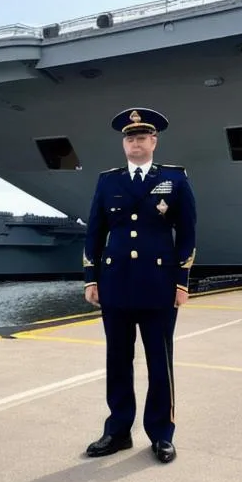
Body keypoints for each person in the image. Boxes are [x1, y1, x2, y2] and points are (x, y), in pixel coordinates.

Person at [83, 107, 196, 463]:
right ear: (124, 144)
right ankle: (117, 432)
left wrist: (181, 282)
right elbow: (94, 232)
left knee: (159, 363)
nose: (135, 142)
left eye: (142, 137)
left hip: (158, 285)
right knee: (118, 360)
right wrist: (91, 278)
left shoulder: (175, 180)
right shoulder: (108, 181)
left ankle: (162, 434)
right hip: (115, 284)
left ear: (154, 141)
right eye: (130, 138)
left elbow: (188, 234)